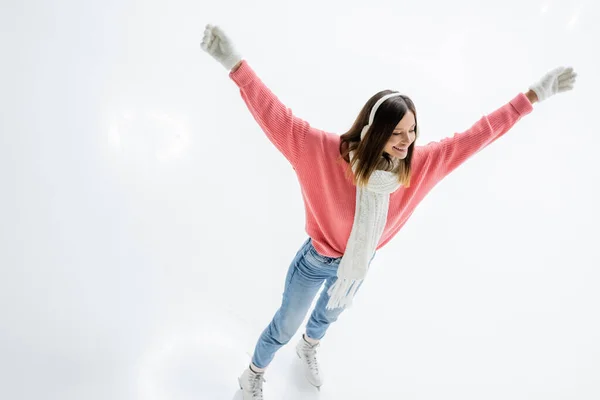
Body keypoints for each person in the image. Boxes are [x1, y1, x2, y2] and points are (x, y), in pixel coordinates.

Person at [200, 23, 577, 400]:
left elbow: (478, 134)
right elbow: (274, 115)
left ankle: (309, 347)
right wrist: (235, 64)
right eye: (396, 133)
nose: (407, 141)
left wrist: (534, 95)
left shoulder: (419, 166)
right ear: (373, 130)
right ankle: (252, 374)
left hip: (358, 265)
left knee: (327, 318)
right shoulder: (322, 153)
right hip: (315, 260)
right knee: (285, 325)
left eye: (412, 130)